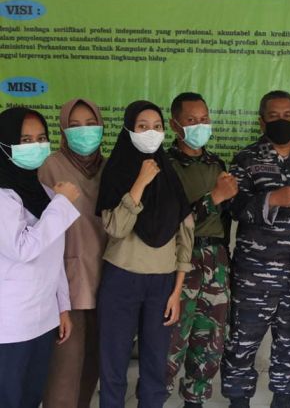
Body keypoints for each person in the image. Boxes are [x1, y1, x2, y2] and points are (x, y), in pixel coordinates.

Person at [221, 90, 290, 408]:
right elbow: (232, 206)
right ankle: (238, 399)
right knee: (243, 339)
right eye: (273, 116)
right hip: (255, 272)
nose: (281, 121)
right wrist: (270, 200)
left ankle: (284, 398)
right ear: (261, 121)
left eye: (287, 116)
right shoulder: (246, 159)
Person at [95, 100, 194, 408]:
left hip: (163, 284)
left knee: (155, 366)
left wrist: (177, 291)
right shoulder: (117, 170)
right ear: (128, 130)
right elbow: (115, 228)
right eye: (142, 126)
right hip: (121, 279)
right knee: (113, 363)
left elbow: (185, 235)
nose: (150, 133)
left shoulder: (169, 173)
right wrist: (139, 182)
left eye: (157, 127)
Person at [0, 107, 81, 408]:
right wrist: (60, 205)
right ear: (5, 145)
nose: (35, 146)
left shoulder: (45, 193)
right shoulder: (3, 195)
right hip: (9, 324)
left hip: (43, 318)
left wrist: (62, 307)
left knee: (32, 397)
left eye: (41, 138)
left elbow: (53, 254)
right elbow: (23, 249)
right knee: (8, 398)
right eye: (25, 139)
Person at [164, 92, 238, 408]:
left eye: (204, 119)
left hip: (216, 262)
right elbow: (167, 222)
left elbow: (227, 220)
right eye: (191, 120)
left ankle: (195, 400)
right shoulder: (163, 167)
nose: (199, 125)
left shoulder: (217, 164)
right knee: (170, 340)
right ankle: (154, 397)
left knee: (209, 341)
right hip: (179, 261)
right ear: (174, 125)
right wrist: (214, 198)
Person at [39, 98, 107, 408]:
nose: (84, 132)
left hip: (105, 284)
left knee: (91, 367)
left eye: (90, 124)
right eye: (75, 126)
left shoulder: (109, 168)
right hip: (65, 286)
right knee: (63, 372)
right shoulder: (50, 165)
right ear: (64, 130)